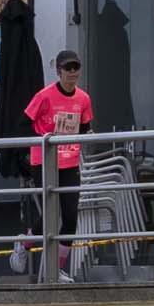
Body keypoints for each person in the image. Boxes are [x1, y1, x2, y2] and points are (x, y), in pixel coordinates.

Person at [23, 51, 95, 280]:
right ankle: (24, 244)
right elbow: (23, 124)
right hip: (45, 160)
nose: (72, 72)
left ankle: (57, 268)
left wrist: (89, 134)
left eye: (76, 67)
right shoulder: (44, 96)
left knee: (71, 216)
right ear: (59, 71)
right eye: (68, 68)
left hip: (70, 161)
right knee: (51, 215)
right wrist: (46, 137)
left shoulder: (83, 98)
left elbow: (85, 126)